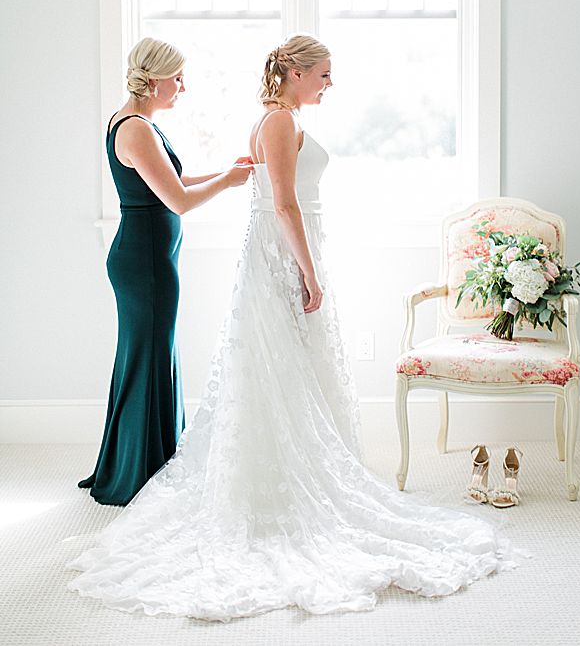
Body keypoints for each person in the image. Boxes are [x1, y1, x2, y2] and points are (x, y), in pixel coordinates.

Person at [68, 35, 513, 618]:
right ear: (297, 73)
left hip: (240, 256)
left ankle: (136, 464)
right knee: (177, 361)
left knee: (209, 365)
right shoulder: (265, 124)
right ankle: (135, 472)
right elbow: (281, 204)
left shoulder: (262, 121)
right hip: (245, 259)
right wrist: (309, 271)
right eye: (324, 74)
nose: (330, 84)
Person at [78, 37, 251, 506]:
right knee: (148, 359)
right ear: (154, 80)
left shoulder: (139, 123)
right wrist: (228, 183)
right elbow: (178, 200)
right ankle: (138, 473)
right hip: (145, 263)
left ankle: (143, 460)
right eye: (177, 78)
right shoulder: (135, 129)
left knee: (151, 356)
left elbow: (171, 181)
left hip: (150, 258)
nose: (182, 87)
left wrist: (222, 172)